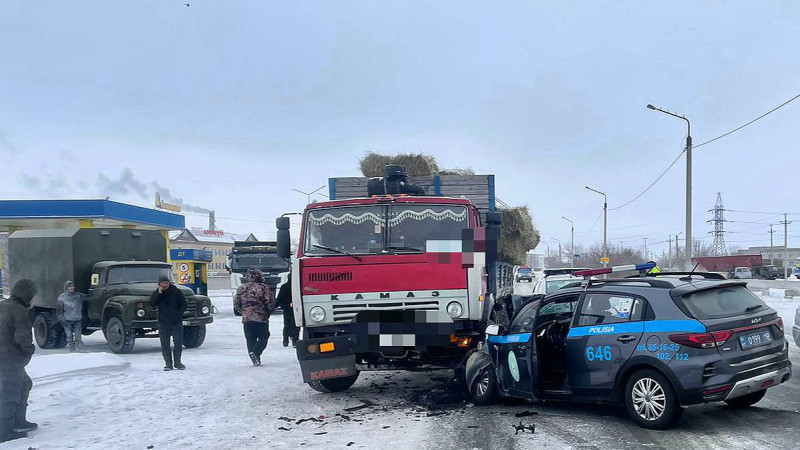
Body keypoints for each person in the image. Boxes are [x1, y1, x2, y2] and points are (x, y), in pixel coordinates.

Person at [0, 279, 38, 443]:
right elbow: (22, 338)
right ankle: (4, 432)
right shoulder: (20, 311)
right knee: (10, 394)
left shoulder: (2, 305)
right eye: (32, 296)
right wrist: (29, 351)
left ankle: (18, 421)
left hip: (5, 357)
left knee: (24, 384)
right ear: (27, 294)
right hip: (10, 359)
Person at [234, 269, 275, 366]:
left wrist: (244, 312)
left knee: (250, 339)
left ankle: (254, 358)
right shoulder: (264, 287)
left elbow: (236, 303)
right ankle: (256, 353)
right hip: (261, 318)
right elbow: (269, 302)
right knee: (264, 337)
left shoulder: (241, 288)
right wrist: (269, 311)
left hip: (247, 319)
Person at [149, 275, 187, 371]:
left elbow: (184, 303)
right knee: (165, 344)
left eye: (166, 283)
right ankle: (168, 364)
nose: (164, 284)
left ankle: (178, 363)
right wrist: (159, 294)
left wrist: (179, 314)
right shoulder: (157, 293)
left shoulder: (177, 292)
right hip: (163, 323)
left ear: (169, 283)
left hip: (176, 322)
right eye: (162, 283)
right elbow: (152, 303)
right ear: (159, 284)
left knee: (178, 344)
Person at [57, 281, 86, 352]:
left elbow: (90, 297)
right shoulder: (61, 298)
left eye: (73, 286)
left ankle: (79, 349)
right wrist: (62, 319)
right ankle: (72, 350)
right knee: (69, 336)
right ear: (66, 287)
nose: (72, 288)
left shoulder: (78, 296)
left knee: (78, 336)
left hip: (77, 319)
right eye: (70, 286)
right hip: (67, 320)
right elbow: (59, 311)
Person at [276, 274, 299, 347]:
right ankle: (295, 340)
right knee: (296, 324)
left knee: (286, 325)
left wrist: (279, 305)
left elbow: (279, 298)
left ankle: (285, 341)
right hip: (296, 308)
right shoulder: (297, 287)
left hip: (286, 308)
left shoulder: (284, 286)